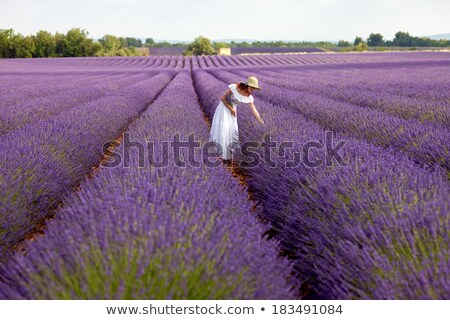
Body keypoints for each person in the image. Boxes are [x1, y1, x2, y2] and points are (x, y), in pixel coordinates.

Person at [209, 76, 265, 163]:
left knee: (230, 131)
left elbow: (254, 110)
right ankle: (219, 154)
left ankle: (226, 156)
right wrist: (231, 109)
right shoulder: (235, 87)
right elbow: (223, 98)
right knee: (223, 129)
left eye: (254, 88)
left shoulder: (249, 97)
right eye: (252, 87)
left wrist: (260, 120)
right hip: (224, 109)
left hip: (232, 112)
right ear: (247, 85)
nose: (253, 89)